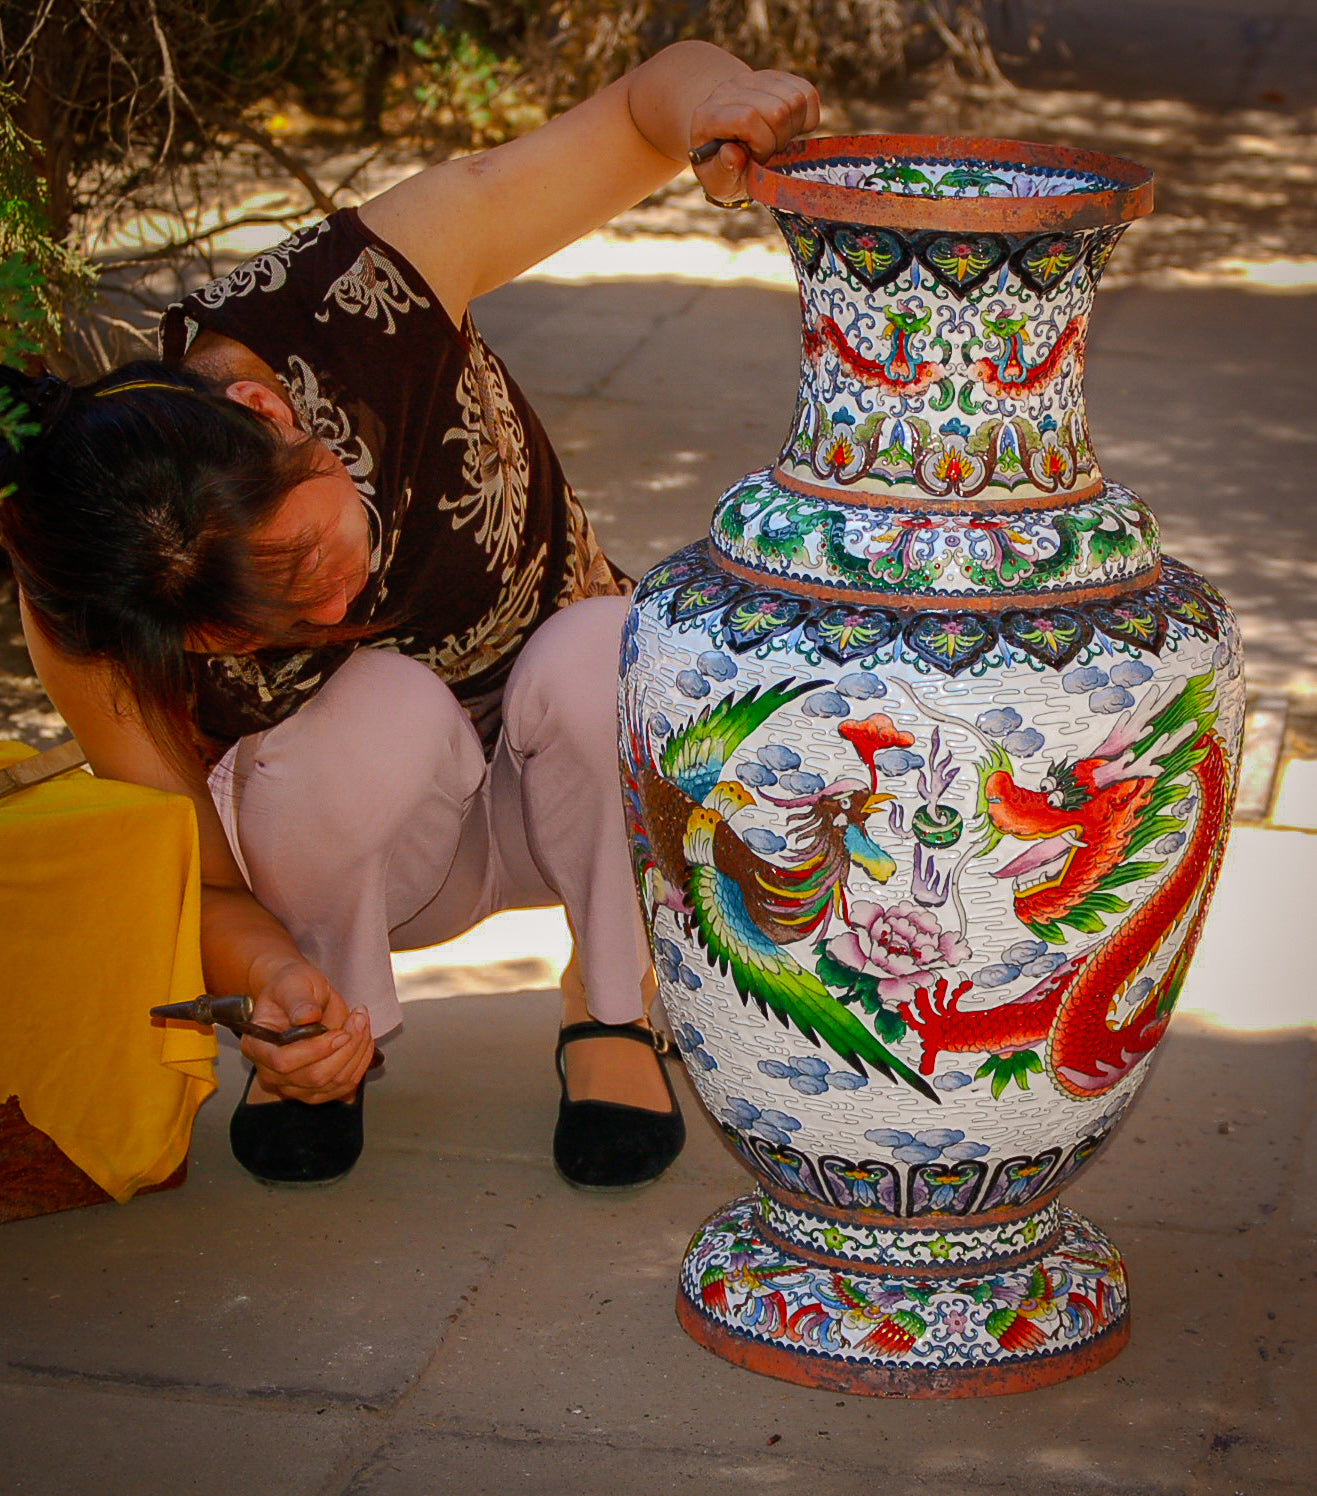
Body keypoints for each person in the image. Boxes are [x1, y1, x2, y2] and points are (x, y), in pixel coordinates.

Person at [0, 43, 820, 1189]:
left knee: (607, 646)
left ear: (267, 408)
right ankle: (342, 1021)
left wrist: (716, 107)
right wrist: (274, 983)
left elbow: (642, 112)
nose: (328, 609)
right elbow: (205, 881)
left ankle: (612, 1010)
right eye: (253, 632)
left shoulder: (356, 295)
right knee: (379, 697)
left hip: (579, 795)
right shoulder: (93, 603)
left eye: (311, 554)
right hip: (373, 867)